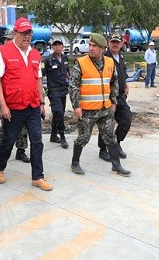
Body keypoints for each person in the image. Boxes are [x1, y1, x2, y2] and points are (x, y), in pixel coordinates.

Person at [0, 17, 53, 191]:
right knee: (9, 140)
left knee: (37, 142)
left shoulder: (35, 54)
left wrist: (41, 102)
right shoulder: (2, 52)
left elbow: (38, 80)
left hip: (32, 105)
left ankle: (38, 177)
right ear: (15, 33)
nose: (27, 36)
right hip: (14, 106)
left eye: (29, 33)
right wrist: (3, 105)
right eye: (23, 33)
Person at [69, 33, 131, 177]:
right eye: (90, 45)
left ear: (102, 48)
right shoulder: (81, 62)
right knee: (83, 138)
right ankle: (75, 163)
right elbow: (73, 86)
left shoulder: (110, 62)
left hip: (105, 109)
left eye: (94, 46)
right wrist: (76, 106)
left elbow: (115, 83)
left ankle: (116, 165)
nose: (91, 48)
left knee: (110, 137)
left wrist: (114, 101)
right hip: (87, 111)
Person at [0, 30, 30, 163]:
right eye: (5, 39)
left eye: (9, 39)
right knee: (8, 126)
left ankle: (21, 150)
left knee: (23, 126)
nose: (7, 42)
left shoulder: (24, 55)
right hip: (5, 99)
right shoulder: (1, 56)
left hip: (22, 98)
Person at [98, 34, 131, 162]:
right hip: (109, 97)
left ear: (122, 44)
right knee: (106, 125)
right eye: (113, 42)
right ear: (108, 43)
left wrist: (126, 85)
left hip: (121, 97)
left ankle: (116, 144)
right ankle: (103, 149)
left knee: (126, 121)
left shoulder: (121, 57)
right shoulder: (104, 57)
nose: (115, 44)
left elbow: (123, 74)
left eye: (117, 42)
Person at [42, 38, 70, 149]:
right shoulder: (47, 60)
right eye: (55, 45)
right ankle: (62, 136)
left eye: (59, 45)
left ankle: (53, 135)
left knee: (59, 113)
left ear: (62, 47)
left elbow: (67, 72)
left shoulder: (64, 57)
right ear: (52, 47)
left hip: (63, 90)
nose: (57, 47)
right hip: (53, 91)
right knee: (58, 112)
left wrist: (71, 81)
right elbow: (41, 75)